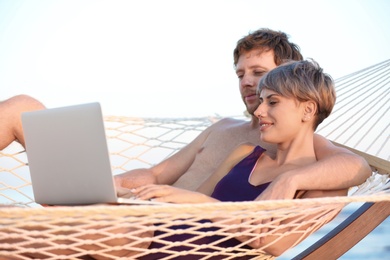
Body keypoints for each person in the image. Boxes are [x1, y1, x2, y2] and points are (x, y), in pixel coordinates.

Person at [115, 28, 371, 200]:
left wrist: (290, 179)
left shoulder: (287, 143)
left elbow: (356, 167)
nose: (247, 82)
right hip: (149, 213)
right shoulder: (221, 128)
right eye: (241, 74)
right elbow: (157, 175)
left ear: (285, 76)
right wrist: (110, 185)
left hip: (192, 238)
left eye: (259, 73)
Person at [130, 58, 347, 258]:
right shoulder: (245, 153)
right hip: (157, 236)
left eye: (272, 102)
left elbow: (274, 243)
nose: (259, 111)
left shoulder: (326, 187)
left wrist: (203, 203)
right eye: (261, 101)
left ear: (308, 110)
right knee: (101, 215)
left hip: (181, 253)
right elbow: (189, 206)